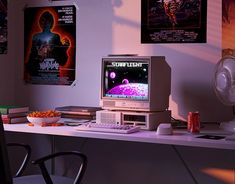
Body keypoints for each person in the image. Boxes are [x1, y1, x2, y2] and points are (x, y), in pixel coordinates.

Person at [26, 11, 70, 75]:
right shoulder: (36, 37)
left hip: (52, 73)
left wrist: (64, 48)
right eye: (42, 20)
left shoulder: (55, 36)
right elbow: (31, 58)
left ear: (50, 22)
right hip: (39, 73)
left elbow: (62, 61)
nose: (43, 23)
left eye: (46, 21)